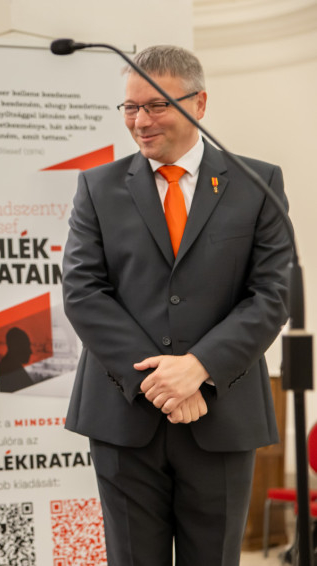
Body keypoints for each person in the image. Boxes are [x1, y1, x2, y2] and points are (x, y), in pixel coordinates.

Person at [61, 45, 291, 565]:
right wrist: (161, 381)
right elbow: (83, 290)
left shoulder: (258, 184)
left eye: (156, 105)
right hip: (124, 416)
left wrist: (199, 367)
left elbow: (271, 293)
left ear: (199, 103)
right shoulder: (97, 187)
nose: (140, 121)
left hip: (222, 413)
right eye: (130, 107)